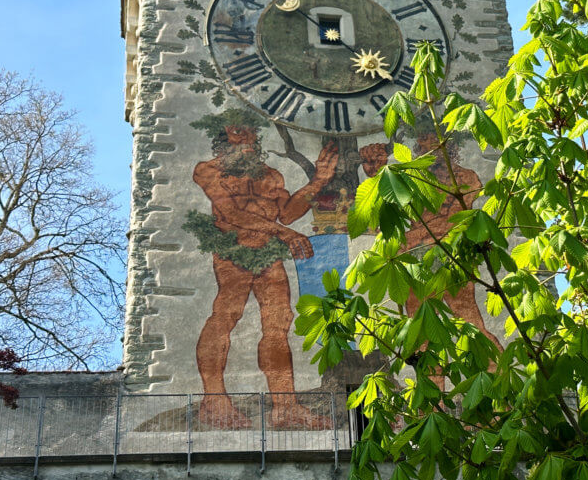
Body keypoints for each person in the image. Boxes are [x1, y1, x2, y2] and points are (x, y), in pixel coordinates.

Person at [189, 110, 338, 428]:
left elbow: (287, 214)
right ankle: (214, 402)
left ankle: (285, 408)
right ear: (226, 136)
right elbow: (231, 214)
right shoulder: (208, 171)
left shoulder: (271, 175)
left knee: (278, 327)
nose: (251, 142)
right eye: (242, 135)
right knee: (225, 317)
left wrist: (318, 182)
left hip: (269, 256)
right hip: (234, 253)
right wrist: (284, 234)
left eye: (253, 137)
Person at [359, 134, 503, 352]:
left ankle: (500, 379)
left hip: (451, 259)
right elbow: (388, 215)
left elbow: (452, 222)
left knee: (471, 326)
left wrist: (410, 239)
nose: (428, 146)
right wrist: (378, 173)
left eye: (433, 140)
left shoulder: (466, 177)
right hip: (417, 264)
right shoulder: (414, 179)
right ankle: (429, 385)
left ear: (449, 145)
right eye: (422, 141)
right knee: (421, 339)